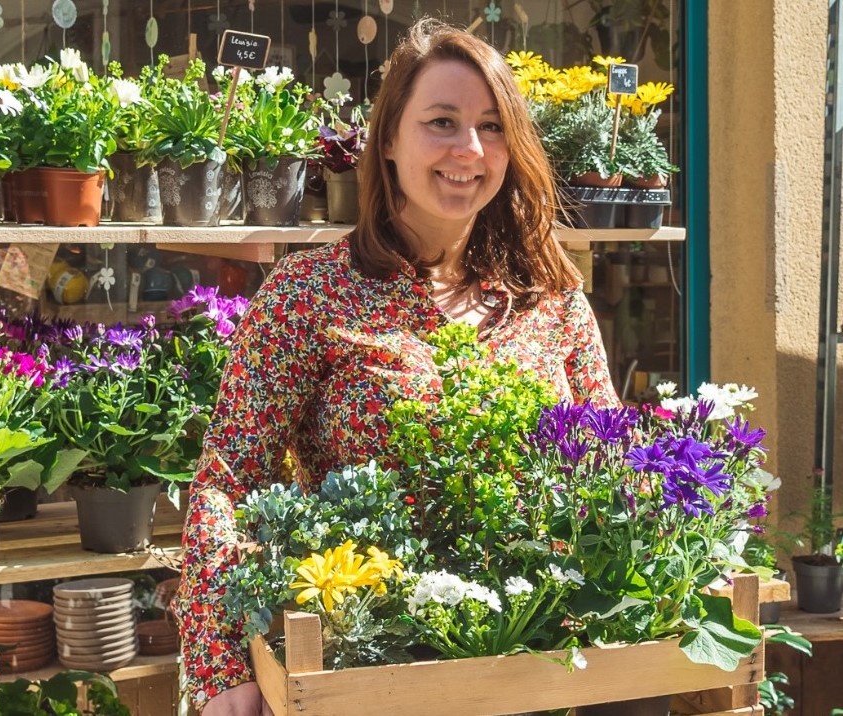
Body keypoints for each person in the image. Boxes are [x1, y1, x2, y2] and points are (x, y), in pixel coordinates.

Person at [173, 17, 620, 716]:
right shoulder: (310, 293)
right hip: (366, 672)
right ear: (386, 141)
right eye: (441, 121)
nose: (469, 148)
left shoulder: (549, 299)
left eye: (492, 125)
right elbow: (227, 482)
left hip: (535, 666)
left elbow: (606, 469)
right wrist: (221, 662)